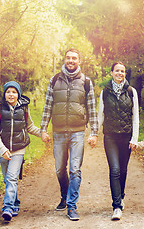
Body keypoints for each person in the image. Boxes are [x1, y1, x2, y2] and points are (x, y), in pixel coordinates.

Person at [40, 49, 98, 221]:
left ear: (79, 61)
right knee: (59, 169)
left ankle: (72, 206)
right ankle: (64, 196)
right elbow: (47, 105)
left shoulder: (86, 82)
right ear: (64, 60)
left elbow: (92, 108)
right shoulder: (54, 80)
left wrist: (94, 132)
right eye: (68, 58)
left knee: (75, 169)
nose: (71, 61)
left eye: (74, 58)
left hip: (78, 132)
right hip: (58, 132)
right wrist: (43, 129)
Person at [0, 81, 41, 222]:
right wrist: (2, 149)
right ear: (5, 94)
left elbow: (30, 127)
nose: (11, 94)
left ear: (18, 94)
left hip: (19, 149)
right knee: (8, 180)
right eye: (8, 92)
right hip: (3, 149)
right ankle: (16, 203)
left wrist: (43, 134)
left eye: (14, 92)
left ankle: (7, 208)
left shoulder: (24, 109)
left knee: (12, 178)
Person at [98, 62, 139, 220]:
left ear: (125, 74)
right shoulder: (104, 92)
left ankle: (121, 195)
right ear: (111, 73)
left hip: (126, 136)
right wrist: (94, 133)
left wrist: (134, 138)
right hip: (110, 136)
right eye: (117, 71)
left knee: (123, 170)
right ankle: (116, 206)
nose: (120, 73)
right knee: (114, 170)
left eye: (122, 71)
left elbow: (135, 117)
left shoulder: (131, 91)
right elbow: (100, 115)